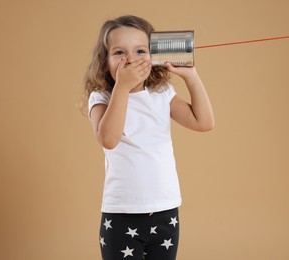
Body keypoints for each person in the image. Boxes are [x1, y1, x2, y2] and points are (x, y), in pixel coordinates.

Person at [83, 15, 214, 260]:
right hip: (121, 214)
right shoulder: (101, 98)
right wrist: (122, 87)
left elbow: (204, 122)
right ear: (104, 62)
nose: (130, 59)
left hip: (165, 210)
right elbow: (108, 139)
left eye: (140, 50)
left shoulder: (161, 94)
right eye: (119, 52)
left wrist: (191, 76)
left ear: (152, 57)